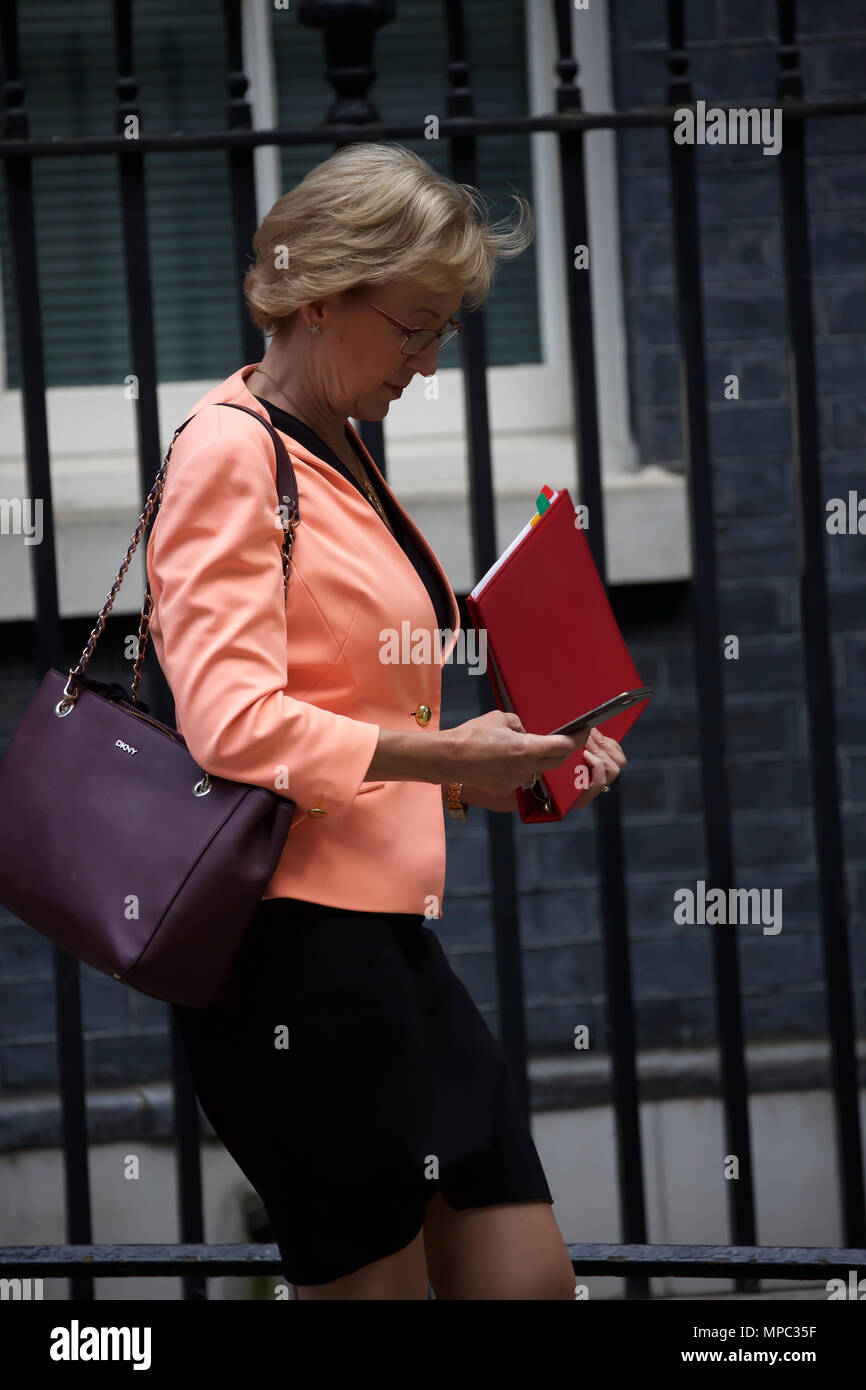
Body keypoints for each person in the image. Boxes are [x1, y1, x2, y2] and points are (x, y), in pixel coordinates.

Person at [145, 142, 626, 1301]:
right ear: (318, 294)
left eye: (443, 331)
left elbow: (345, 713)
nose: (426, 359)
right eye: (413, 325)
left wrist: (495, 774)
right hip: (293, 968)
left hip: (388, 947)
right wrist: (442, 752)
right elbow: (232, 725)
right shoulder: (229, 452)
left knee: (528, 1288)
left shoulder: (337, 444)